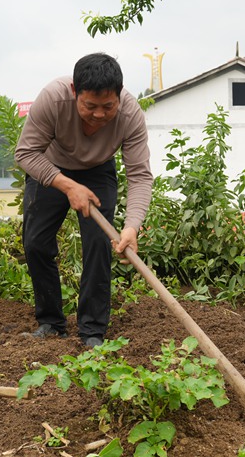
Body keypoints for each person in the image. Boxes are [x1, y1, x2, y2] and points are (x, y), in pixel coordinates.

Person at [15, 53, 153, 347]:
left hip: (97, 171)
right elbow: (25, 154)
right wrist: (67, 185)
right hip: (50, 168)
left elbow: (140, 175)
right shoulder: (53, 99)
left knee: (98, 244)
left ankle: (92, 330)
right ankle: (51, 323)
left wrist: (132, 227)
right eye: (90, 106)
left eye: (108, 106)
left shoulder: (131, 115)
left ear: (119, 95)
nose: (99, 115)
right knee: (36, 243)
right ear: (74, 92)